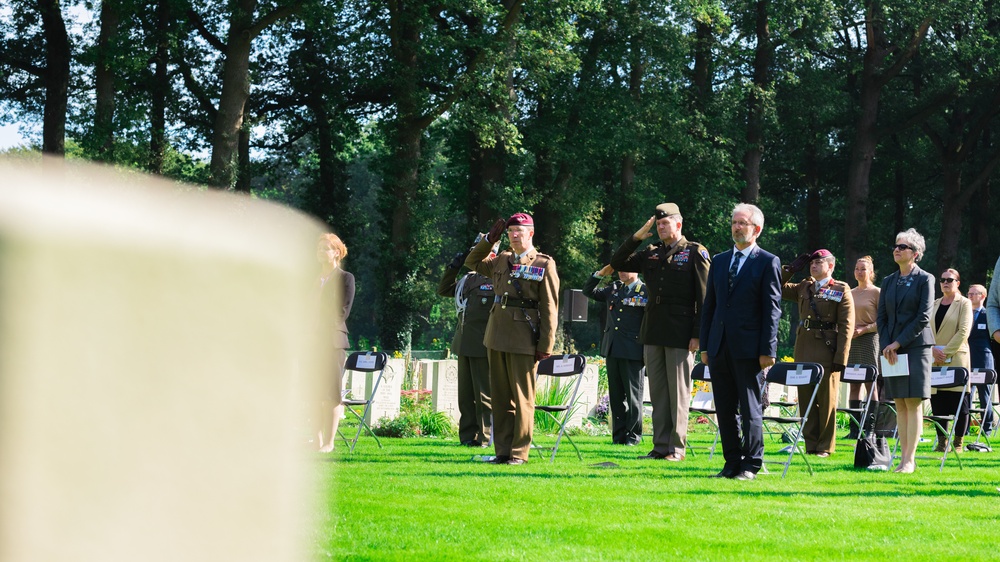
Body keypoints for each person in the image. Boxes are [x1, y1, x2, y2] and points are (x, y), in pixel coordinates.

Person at [610, 203, 709, 461]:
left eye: (665, 223)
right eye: (658, 224)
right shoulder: (651, 252)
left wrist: (698, 334)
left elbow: (705, 297)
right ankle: (660, 446)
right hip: (653, 331)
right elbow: (617, 262)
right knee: (658, 394)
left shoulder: (695, 252)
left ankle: (676, 448)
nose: (661, 228)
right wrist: (636, 238)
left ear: (679, 224)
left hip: (681, 332)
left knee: (678, 393)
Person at [465, 213, 559, 465]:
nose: (514, 235)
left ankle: (519, 454)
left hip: (523, 337)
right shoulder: (502, 259)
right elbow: (472, 261)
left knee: (523, 399)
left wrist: (545, 345)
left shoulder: (543, 263)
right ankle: (502, 451)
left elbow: (550, 307)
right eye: (510, 231)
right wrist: (488, 241)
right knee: (499, 398)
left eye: (519, 230)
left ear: (531, 233)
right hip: (496, 335)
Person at [699, 203, 782, 480]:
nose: (736, 227)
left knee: (750, 410)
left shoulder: (768, 261)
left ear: (756, 229)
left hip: (749, 350)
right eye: (734, 222)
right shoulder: (720, 261)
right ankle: (731, 463)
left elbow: (772, 310)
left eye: (742, 223)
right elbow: (710, 305)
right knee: (724, 409)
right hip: (719, 346)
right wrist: (705, 346)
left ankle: (751, 464)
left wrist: (767, 349)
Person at [780, 249, 854, 457]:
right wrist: (790, 270)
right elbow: (775, 287)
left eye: (818, 262)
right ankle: (811, 444)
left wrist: (841, 357)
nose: (813, 265)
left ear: (830, 266)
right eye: (811, 263)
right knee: (805, 399)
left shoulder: (841, 288)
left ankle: (825, 446)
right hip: (803, 347)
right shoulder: (804, 286)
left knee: (826, 399)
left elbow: (846, 326)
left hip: (826, 349)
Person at [877, 228, 934, 473]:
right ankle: (901, 459)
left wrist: (898, 343)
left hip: (915, 347)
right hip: (892, 349)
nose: (897, 250)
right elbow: (882, 318)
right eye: (896, 246)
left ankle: (909, 460)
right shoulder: (888, 281)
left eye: (903, 247)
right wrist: (888, 345)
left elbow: (923, 316)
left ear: (916, 253)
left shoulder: (926, 279)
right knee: (899, 403)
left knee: (913, 404)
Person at [436, 235, 497, 448]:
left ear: (491, 253)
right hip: (463, 343)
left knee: (484, 396)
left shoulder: (495, 278)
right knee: (465, 396)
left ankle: (485, 436)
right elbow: (443, 290)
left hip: (483, 344)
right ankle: (467, 436)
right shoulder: (468, 280)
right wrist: (453, 268)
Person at [582, 264, 647, 445]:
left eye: (626, 268)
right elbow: (588, 291)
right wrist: (600, 274)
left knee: (634, 398)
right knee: (616, 397)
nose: (622, 272)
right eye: (619, 269)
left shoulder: (645, 291)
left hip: (633, 350)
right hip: (612, 348)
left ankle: (633, 437)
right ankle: (618, 437)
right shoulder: (614, 289)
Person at [317, 233, 355, 453]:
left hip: (332, 340)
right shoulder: (314, 279)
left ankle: (329, 443)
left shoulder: (345, 278)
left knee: (331, 392)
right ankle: (317, 439)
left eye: (325, 248)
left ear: (337, 253)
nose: (320, 252)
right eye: (318, 248)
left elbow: (342, 311)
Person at [929, 268, 972, 452]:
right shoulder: (934, 304)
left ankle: (958, 442)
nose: (945, 282)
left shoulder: (964, 303)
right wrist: (931, 350)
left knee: (958, 402)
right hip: (934, 359)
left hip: (954, 358)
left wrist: (944, 352)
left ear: (958, 283)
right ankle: (941, 442)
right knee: (938, 401)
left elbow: (963, 331)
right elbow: (925, 330)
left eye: (950, 279)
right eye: (942, 279)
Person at [844, 256, 881, 439]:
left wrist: (865, 329)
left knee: (870, 384)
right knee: (853, 384)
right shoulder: (849, 292)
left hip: (869, 340)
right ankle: (854, 429)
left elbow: (883, 320)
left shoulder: (876, 292)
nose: (860, 272)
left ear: (871, 272)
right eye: (857, 268)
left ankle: (870, 428)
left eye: (863, 269)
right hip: (852, 342)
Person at [967, 283, 995, 433]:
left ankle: (987, 428)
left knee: (984, 394)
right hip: (966, 360)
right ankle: (964, 429)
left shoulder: (987, 315)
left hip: (983, 359)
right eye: (969, 293)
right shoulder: (964, 314)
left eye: (974, 293)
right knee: (966, 394)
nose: (970, 296)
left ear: (983, 296)